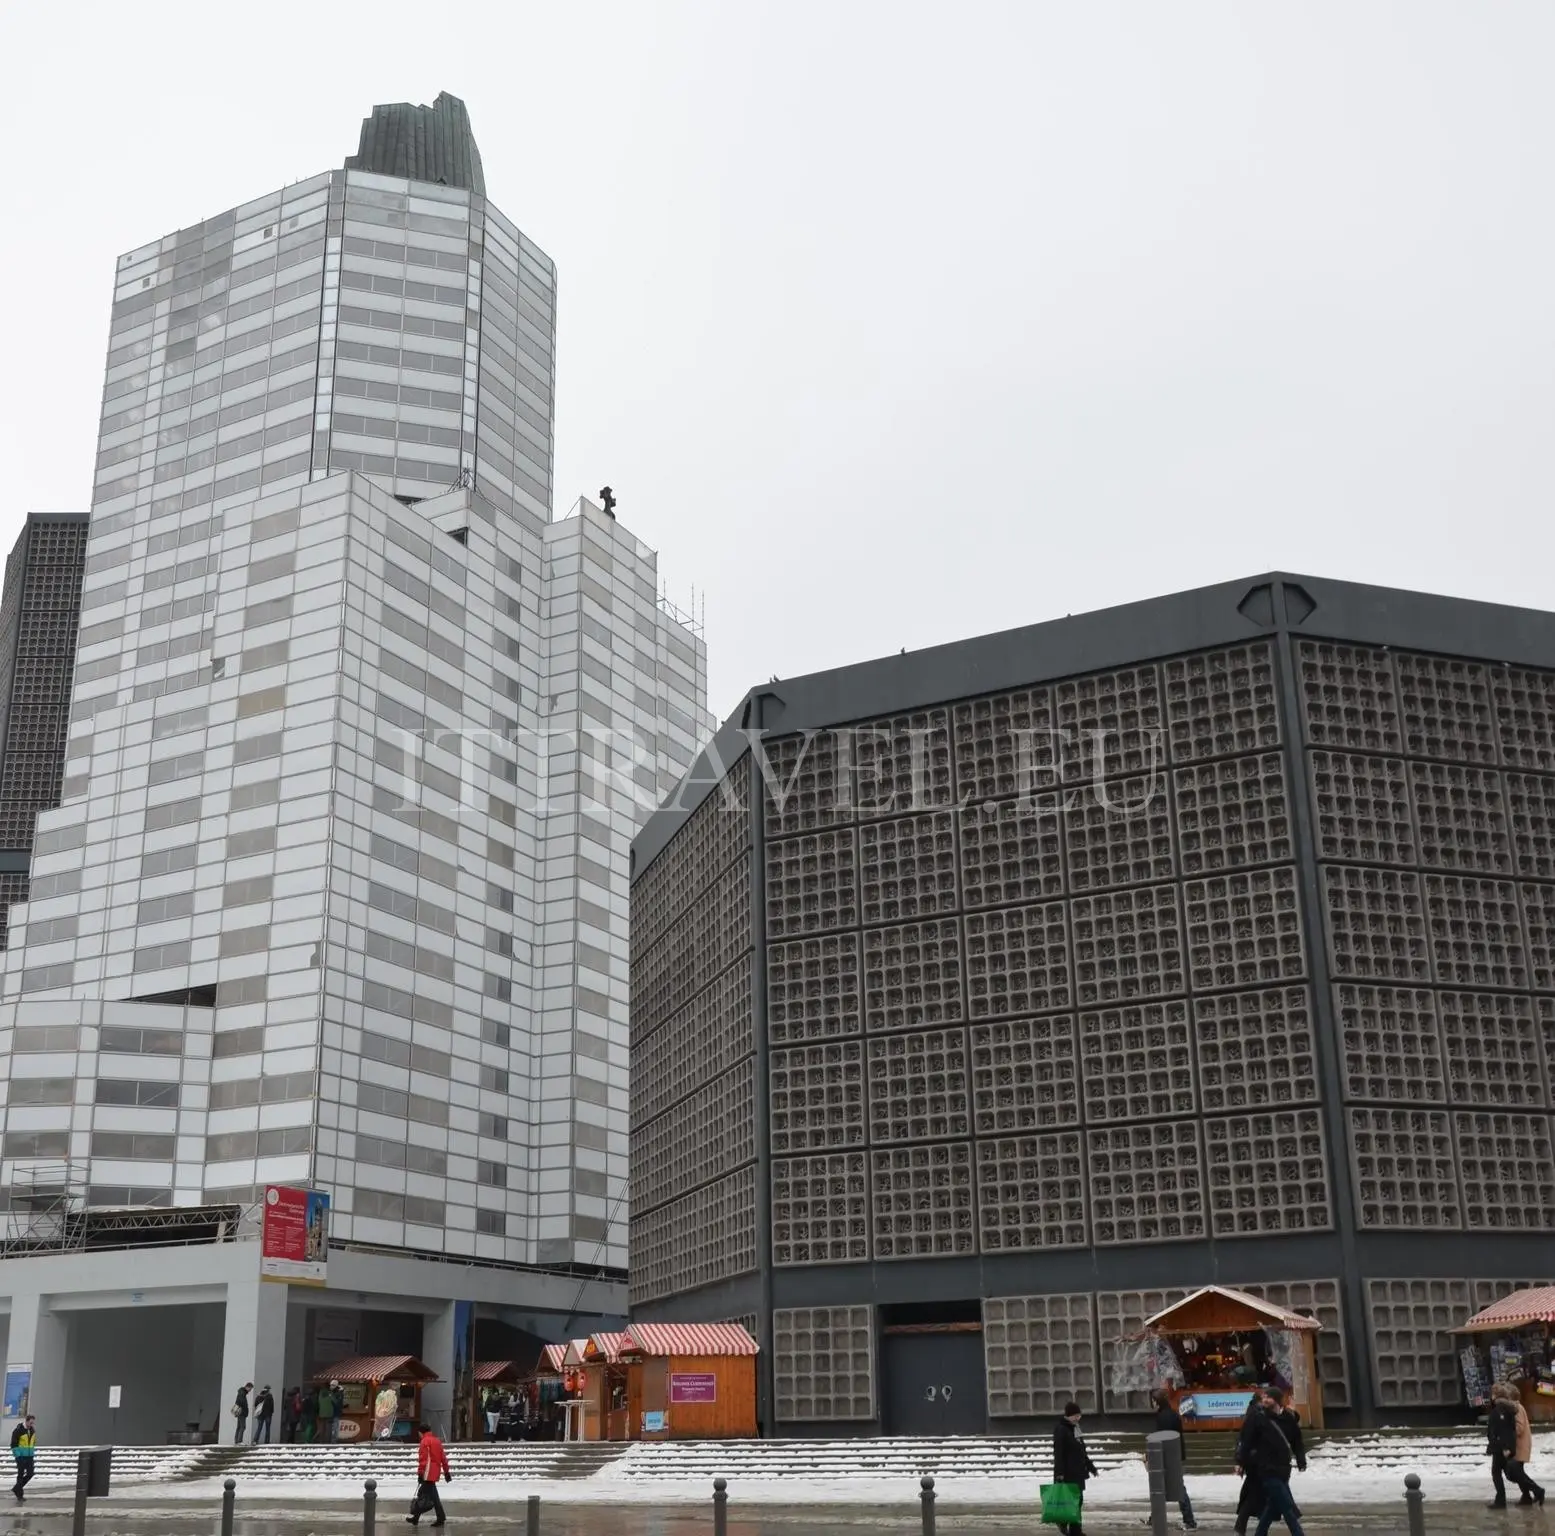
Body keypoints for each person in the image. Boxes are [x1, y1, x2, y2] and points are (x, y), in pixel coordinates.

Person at [1244, 1397, 1305, 1536]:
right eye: (1264, 1397)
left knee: (1274, 1504)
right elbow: (1247, 1440)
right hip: (1268, 1469)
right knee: (1286, 1505)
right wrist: (1242, 1460)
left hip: (1282, 1469)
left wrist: (1301, 1460)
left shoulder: (1283, 1419)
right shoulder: (1260, 1419)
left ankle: (1259, 1533)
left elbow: (1295, 1437)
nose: (1265, 1400)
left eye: (1268, 1397)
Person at [1489, 1382, 1547, 1508]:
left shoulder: (1517, 1408)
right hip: (1517, 1444)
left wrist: (1507, 1428)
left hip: (1519, 1445)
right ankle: (1527, 1496)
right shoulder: (1514, 1407)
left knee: (1516, 1473)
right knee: (1516, 1473)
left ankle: (1536, 1490)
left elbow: (1519, 1428)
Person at [1151, 1389, 1199, 1530]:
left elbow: (1162, 1438)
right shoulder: (1171, 1414)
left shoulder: (1163, 1417)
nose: (1152, 1404)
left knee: (1175, 1488)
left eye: (1153, 1401)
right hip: (1174, 1455)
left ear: (1158, 1402)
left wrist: (1155, 1455)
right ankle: (1155, 1517)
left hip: (1169, 1457)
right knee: (1162, 1488)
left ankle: (1189, 1520)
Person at [1052, 1400, 1099, 1536]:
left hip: (1078, 1472)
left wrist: (1091, 1467)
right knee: (1071, 1501)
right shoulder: (1061, 1430)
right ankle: (1065, 1523)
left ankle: (1075, 1530)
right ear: (1069, 1416)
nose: (1078, 1418)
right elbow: (1058, 1453)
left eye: (1079, 1415)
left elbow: (1082, 1451)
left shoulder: (1076, 1429)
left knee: (1078, 1501)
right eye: (1076, 1416)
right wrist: (1059, 1473)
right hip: (1068, 1473)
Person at [409, 1422, 451, 1527]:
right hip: (434, 1473)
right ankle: (438, 1517)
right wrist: (446, 1472)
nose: (419, 1435)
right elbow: (443, 1458)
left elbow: (423, 1460)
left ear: (421, 1432)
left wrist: (420, 1473)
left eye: (419, 1433)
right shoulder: (437, 1441)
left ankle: (416, 1517)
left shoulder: (424, 1442)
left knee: (422, 1494)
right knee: (433, 1496)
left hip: (427, 1473)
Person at [10, 1415, 36, 1503]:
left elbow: (33, 1442)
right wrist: (18, 1456)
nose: (32, 1424)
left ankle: (16, 1488)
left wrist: (32, 1452)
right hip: (21, 1456)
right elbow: (13, 1445)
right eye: (31, 1422)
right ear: (26, 1421)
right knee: (20, 1475)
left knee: (30, 1473)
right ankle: (19, 1495)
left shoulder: (32, 1430)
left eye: (33, 1423)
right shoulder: (18, 1430)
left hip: (29, 1456)